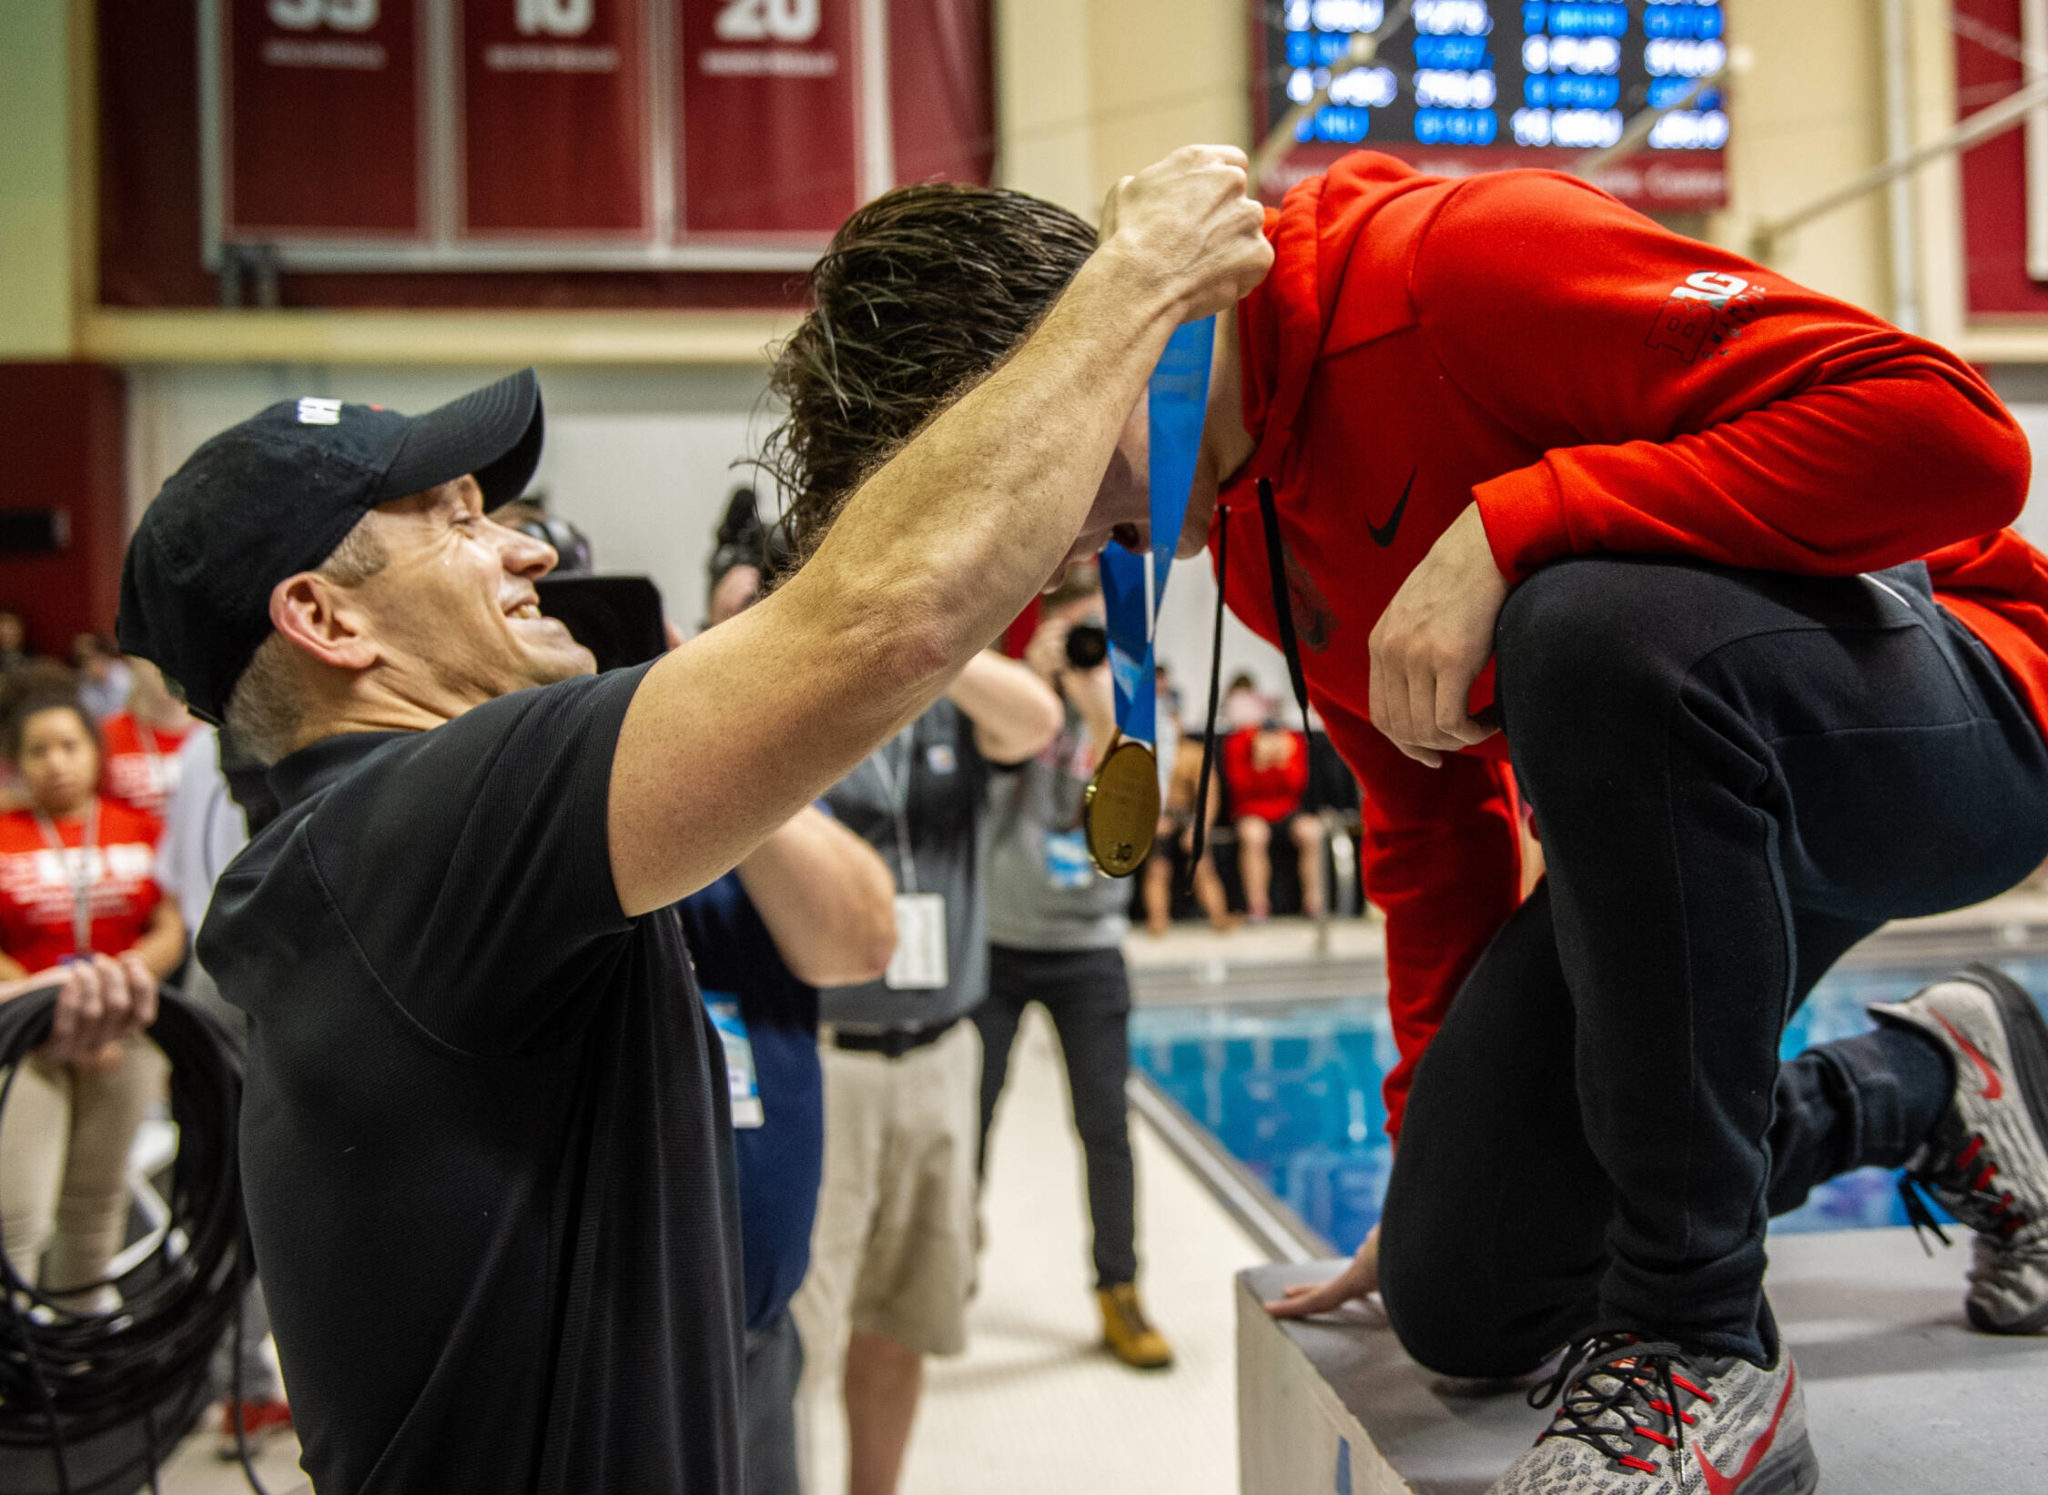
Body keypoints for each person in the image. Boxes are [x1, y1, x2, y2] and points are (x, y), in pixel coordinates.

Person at [759, 151, 2048, 1494]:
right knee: (1466, 1290)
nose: (1067, 548)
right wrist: (1445, 1140)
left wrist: (1521, 523)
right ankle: (1925, 1080)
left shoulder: (1458, 264)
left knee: (1583, 622)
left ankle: (1699, 1340)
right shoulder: (1250, 531)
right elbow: (1435, 833)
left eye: (1043, 495)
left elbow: (1955, 439)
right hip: (1695, 819)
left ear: (1097, 347)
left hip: (1963, 701)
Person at [115, 147, 1270, 1495]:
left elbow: (848, 911)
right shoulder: (402, 830)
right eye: (458, 523)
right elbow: (884, 622)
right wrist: (1132, 279)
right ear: (324, 619)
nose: (534, 550)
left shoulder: (375, 857)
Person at [794, 646, 1062, 1495]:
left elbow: (1038, 721)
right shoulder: (796, 693)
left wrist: (928, 641)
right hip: (823, 1058)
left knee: (904, 1312)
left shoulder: (948, 694)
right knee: (797, 1327)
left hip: (942, 1050)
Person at [679, 531, 898, 1495]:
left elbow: (859, 939)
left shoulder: (758, 778)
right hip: (607, 1341)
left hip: (754, 1321)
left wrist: (701, 729)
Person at [976, 568, 1173, 1369]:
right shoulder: (1013, 690)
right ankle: (949, 1254)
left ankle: (1118, 1288)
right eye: (1075, 633)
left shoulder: (1132, 707)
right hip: (996, 941)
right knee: (973, 1113)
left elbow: (1136, 813)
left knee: (1105, 1129)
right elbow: (999, 751)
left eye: (1100, 635)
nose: (1090, 647)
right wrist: (1034, 677)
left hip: (1089, 947)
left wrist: (1098, 702)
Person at [0, 689, 184, 1309]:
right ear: (16, 761)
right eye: (38, 750)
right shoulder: (5, 833)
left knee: (94, 1206)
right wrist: (55, 1004)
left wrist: (112, 993)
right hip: (27, 1042)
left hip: (125, 1033)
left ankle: (79, 1371)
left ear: (95, 752)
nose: (56, 762)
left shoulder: (141, 828)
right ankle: (17, 1381)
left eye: (69, 746)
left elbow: (170, 925)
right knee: (18, 1216)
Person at [1220, 720, 1323, 921]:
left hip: (1287, 808)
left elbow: (1297, 786)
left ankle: (1314, 902)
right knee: (1254, 835)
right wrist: (1259, 762)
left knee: (1312, 831)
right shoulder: (1238, 742)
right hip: (1250, 808)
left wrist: (1281, 763)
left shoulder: (1292, 741)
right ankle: (1257, 905)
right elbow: (1239, 787)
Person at [99, 657, 197, 818]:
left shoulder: (215, 735)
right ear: (133, 661)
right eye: (155, 659)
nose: (167, 669)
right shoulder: (104, 735)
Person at [69, 634, 131, 723]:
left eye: (93, 658)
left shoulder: (124, 676)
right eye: (84, 660)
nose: (90, 665)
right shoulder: (82, 683)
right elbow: (88, 716)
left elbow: (128, 712)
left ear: (103, 656)